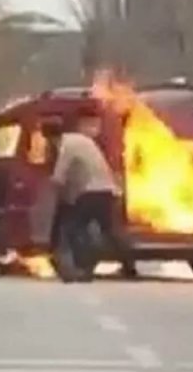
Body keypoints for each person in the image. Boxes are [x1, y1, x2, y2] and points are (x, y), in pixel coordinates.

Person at [46, 115, 134, 280]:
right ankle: (130, 264)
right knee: (109, 231)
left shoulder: (66, 146)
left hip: (91, 192)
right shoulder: (82, 139)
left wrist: (56, 194)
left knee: (75, 228)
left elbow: (59, 176)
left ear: (51, 138)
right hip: (107, 190)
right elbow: (82, 169)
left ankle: (84, 267)